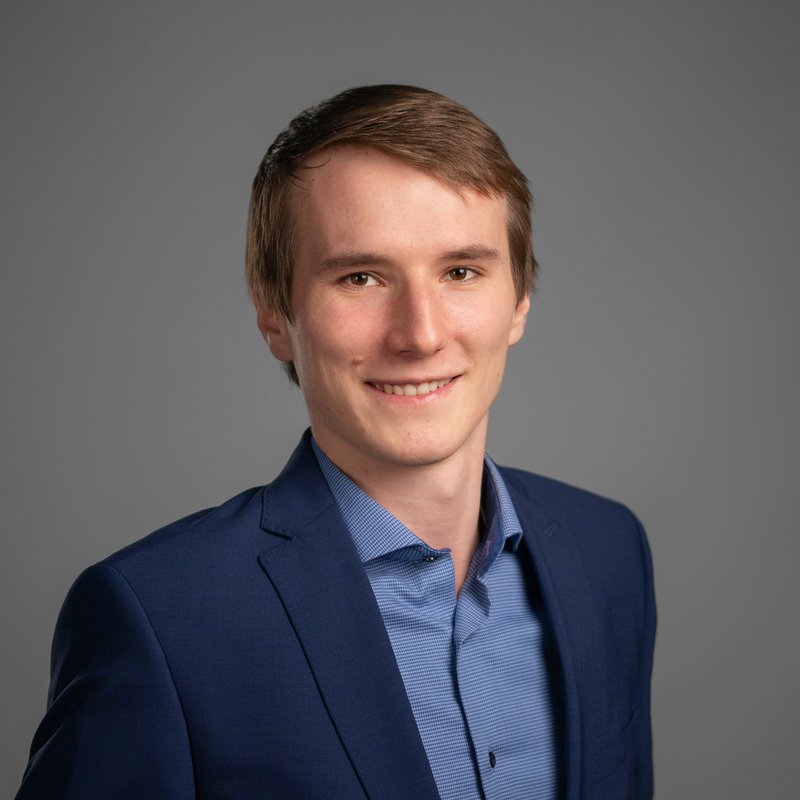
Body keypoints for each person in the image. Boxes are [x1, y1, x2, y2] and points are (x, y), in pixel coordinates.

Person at [17, 85, 655, 800]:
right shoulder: (161, 619)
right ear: (275, 315)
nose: (420, 334)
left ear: (520, 298)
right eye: (361, 277)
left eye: (460, 272)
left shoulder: (608, 553)